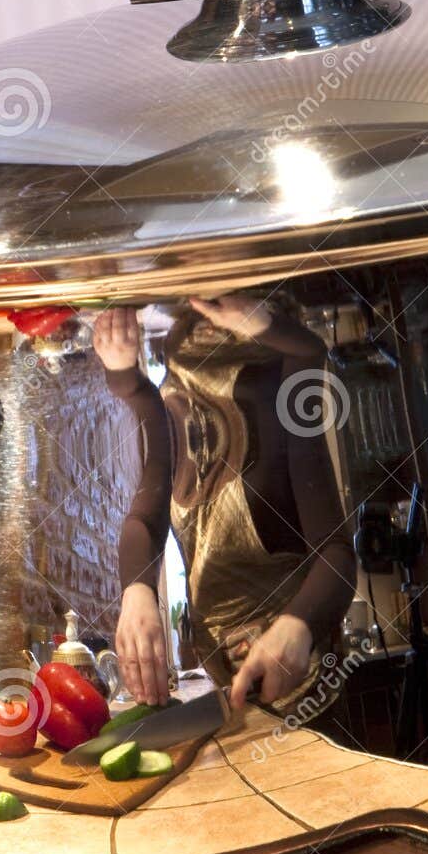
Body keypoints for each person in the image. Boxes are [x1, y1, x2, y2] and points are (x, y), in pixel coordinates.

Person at [93, 293, 355, 716]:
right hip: (252, 298)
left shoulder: (205, 599)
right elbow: (338, 554)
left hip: (178, 299)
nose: (247, 651)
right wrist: (300, 624)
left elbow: (156, 443)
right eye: (263, 658)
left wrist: (123, 376)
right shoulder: (284, 524)